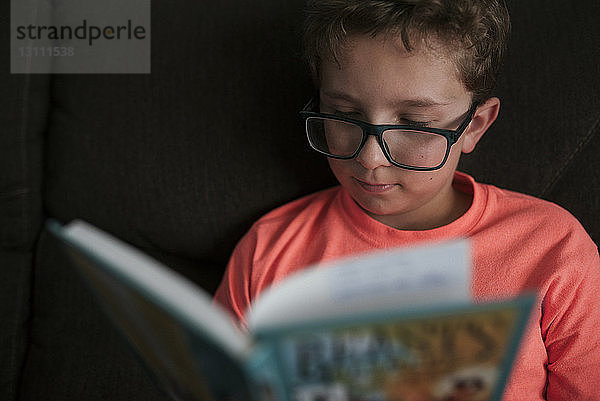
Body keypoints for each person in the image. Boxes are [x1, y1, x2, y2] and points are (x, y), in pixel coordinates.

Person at [214, 1, 600, 399]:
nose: (369, 158)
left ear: (475, 126)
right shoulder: (270, 249)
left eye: (415, 125)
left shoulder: (553, 248)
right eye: (344, 113)